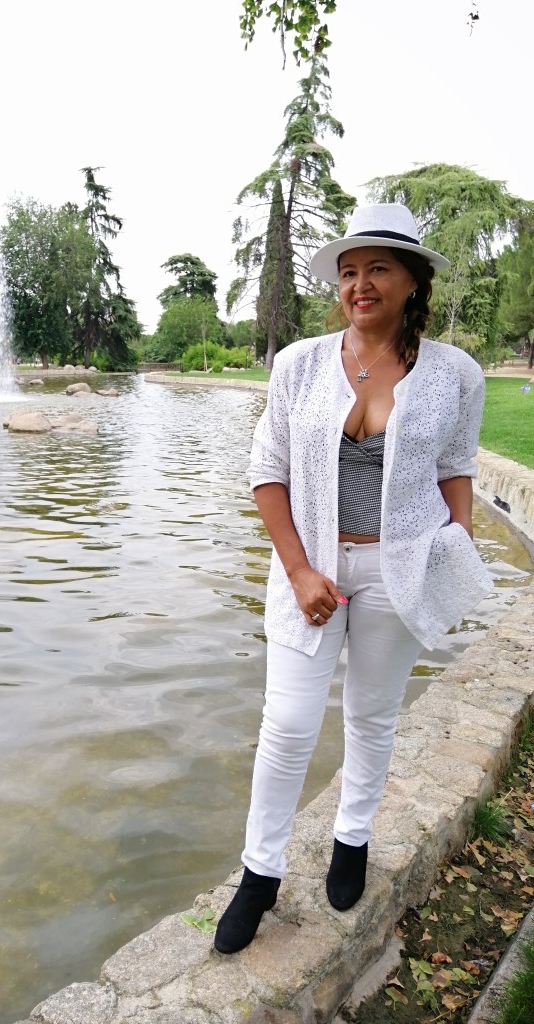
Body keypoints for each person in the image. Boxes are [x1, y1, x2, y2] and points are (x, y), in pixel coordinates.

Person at [214, 203, 494, 956]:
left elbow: (455, 467)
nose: (360, 284)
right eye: (348, 271)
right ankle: (260, 872)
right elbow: (265, 470)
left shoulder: (456, 375)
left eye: (378, 269)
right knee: (289, 724)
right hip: (312, 568)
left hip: (399, 567)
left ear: (411, 281)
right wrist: (300, 568)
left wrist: (455, 544)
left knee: (372, 716)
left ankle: (352, 837)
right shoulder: (298, 363)